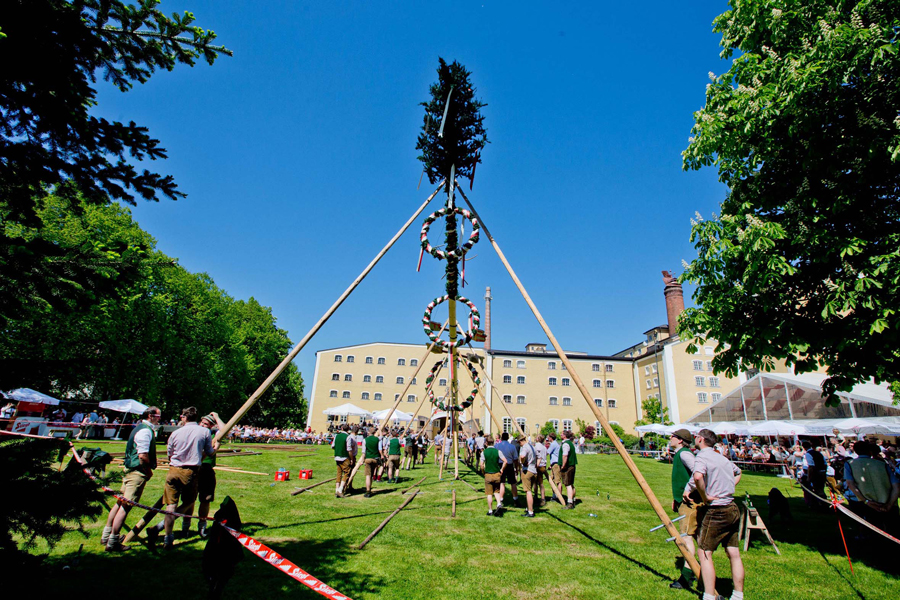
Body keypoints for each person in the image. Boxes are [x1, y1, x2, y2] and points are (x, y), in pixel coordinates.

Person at [684, 429, 743, 600]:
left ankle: (709, 596)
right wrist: (728, 488)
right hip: (732, 507)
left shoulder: (702, 456)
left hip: (716, 510)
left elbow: (697, 476)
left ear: (701, 439)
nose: (695, 438)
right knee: (733, 552)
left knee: (704, 552)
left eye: (696, 437)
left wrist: (705, 496)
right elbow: (738, 472)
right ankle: (738, 595)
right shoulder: (720, 457)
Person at [101, 406, 161, 552]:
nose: (160, 418)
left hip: (130, 469)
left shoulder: (139, 428)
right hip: (136, 472)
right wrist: (148, 470)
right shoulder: (145, 431)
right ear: (151, 416)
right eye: (158, 416)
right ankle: (113, 542)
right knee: (126, 506)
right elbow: (142, 455)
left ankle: (107, 535)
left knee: (120, 501)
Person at [161, 406, 216, 549]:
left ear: (184, 417)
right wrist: (217, 448)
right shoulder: (204, 432)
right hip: (190, 471)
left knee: (170, 505)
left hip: (173, 469)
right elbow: (209, 452)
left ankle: (168, 538)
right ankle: (160, 525)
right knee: (189, 502)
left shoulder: (175, 433)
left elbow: (169, 453)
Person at [844, 440, 900, 535]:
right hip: (887, 502)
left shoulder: (850, 464)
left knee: (873, 533)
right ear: (869, 451)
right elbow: (897, 486)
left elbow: (850, 483)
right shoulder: (883, 465)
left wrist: (865, 501)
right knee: (893, 531)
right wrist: (890, 504)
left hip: (868, 503)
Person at [668, 428, 700, 590]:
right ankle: (694, 572)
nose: (670, 438)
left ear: (680, 440)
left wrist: (688, 490)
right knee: (690, 537)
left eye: (673, 436)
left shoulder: (685, 454)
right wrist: (677, 499)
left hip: (691, 501)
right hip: (684, 501)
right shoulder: (680, 454)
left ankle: (687, 577)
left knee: (687, 537)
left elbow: (698, 472)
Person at [196, 412, 225, 537]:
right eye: (202, 422)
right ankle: (185, 527)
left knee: (205, 499)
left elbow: (225, 430)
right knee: (189, 500)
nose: (203, 425)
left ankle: (202, 527)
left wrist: (217, 417)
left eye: (207, 424)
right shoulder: (194, 432)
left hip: (206, 468)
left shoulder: (213, 434)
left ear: (212, 426)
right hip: (194, 466)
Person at [480, 435, 507, 516]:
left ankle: (490, 510)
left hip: (488, 473)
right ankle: (498, 503)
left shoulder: (484, 452)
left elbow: (481, 465)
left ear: (486, 443)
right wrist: (502, 469)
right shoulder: (498, 451)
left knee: (489, 493)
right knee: (496, 491)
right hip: (497, 474)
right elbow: (505, 461)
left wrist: (483, 472)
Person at [495, 432, 520, 506]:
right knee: (513, 483)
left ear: (501, 438)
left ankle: (501, 500)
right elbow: (515, 459)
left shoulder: (497, 446)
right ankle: (515, 499)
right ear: (508, 438)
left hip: (500, 465)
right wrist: (516, 468)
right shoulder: (512, 447)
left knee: (502, 483)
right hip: (509, 464)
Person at [801, 440, 827, 507]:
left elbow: (811, 466)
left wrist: (809, 477)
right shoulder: (819, 453)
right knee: (821, 489)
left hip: (816, 474)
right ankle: (822, 503)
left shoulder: (808, 454)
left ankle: (820, 504)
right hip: (822, 472)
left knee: (816, 489)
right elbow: (825, 464)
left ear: (803, 447)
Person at [518, 435, 538, 517]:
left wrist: (522, 462)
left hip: (528, 470)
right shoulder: (532, 446)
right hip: (534, 470)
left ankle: (530, 511)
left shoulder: (525, 447)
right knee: (530, 490)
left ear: (520, 441)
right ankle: (528, 507)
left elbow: (522, 456)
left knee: (528, 491)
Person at [332, 424, 354, 498]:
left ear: (341, 428)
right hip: (344, 457)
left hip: (337, 456)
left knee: (339, 473)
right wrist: (351, 458)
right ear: (348, 430)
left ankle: (336, 489)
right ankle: (340, 490)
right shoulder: (348, 437)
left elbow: (333, 446)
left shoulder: (336, 436)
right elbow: (349, 449)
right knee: (347, 473)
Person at [559, 430, 578, 509]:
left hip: (568, 466)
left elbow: (565, 455)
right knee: (571, 484)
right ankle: (573, 500)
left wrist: (563, 465)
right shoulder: (570, 443)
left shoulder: (566, 444)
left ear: (564, 436)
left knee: (568, 484)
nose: (560, 434)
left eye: (562, 434)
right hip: (572, 465)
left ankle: (569, 502)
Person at [363, 426, 380, 497]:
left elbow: (364, 451)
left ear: (368, 432)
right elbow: (379, 449)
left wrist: (363, 460)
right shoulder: (377, 439)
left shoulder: (365, 440)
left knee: (368, 475)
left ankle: (368, 491)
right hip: (375, 459)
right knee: (372, 475)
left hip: (368, 458)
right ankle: (369, 490)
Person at [533, 434, 549, 506]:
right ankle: (542, 498)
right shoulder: (544, 447)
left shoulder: (536, 447)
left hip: (538, 465)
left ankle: (537, 497)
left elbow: (536, 456)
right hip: (543, 465)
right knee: (540, 483)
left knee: (536, 482)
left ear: (538, 439)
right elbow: (546, 454)